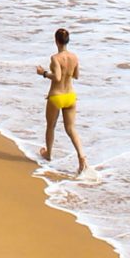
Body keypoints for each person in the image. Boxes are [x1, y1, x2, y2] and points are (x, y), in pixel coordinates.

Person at [36, 28, 86, 175]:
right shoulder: (74, 57)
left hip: (57, 95)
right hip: (70, 96)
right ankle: (81, 156)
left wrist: (43, 73)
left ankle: (48, 154)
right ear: (67, 41)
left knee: (50, 126)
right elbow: (76, 75)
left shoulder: (55, 58)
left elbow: (57, 77)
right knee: (71, 129)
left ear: (56, 40)